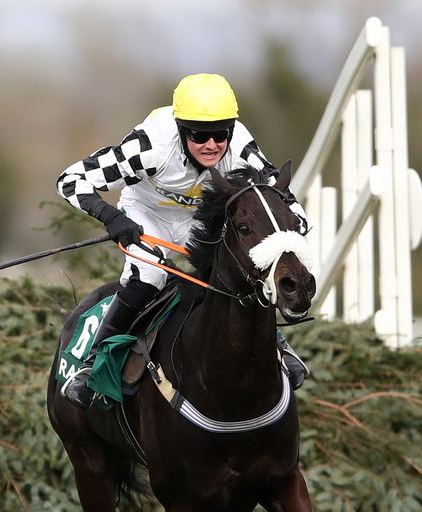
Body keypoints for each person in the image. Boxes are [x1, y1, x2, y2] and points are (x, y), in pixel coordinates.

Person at [55, 73, 310, 408]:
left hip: (199, 217)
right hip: (147, 214)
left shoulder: (240, 148)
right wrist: (111, 217)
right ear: (180, 129)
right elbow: (70, 180)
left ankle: (277, 346)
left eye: (221, 134)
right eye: (200, 135)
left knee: (241, 267)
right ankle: (93, 365)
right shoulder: (150, 147)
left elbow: (286, 200)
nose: (212, 145)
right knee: (150, 277)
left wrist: (291, 233)